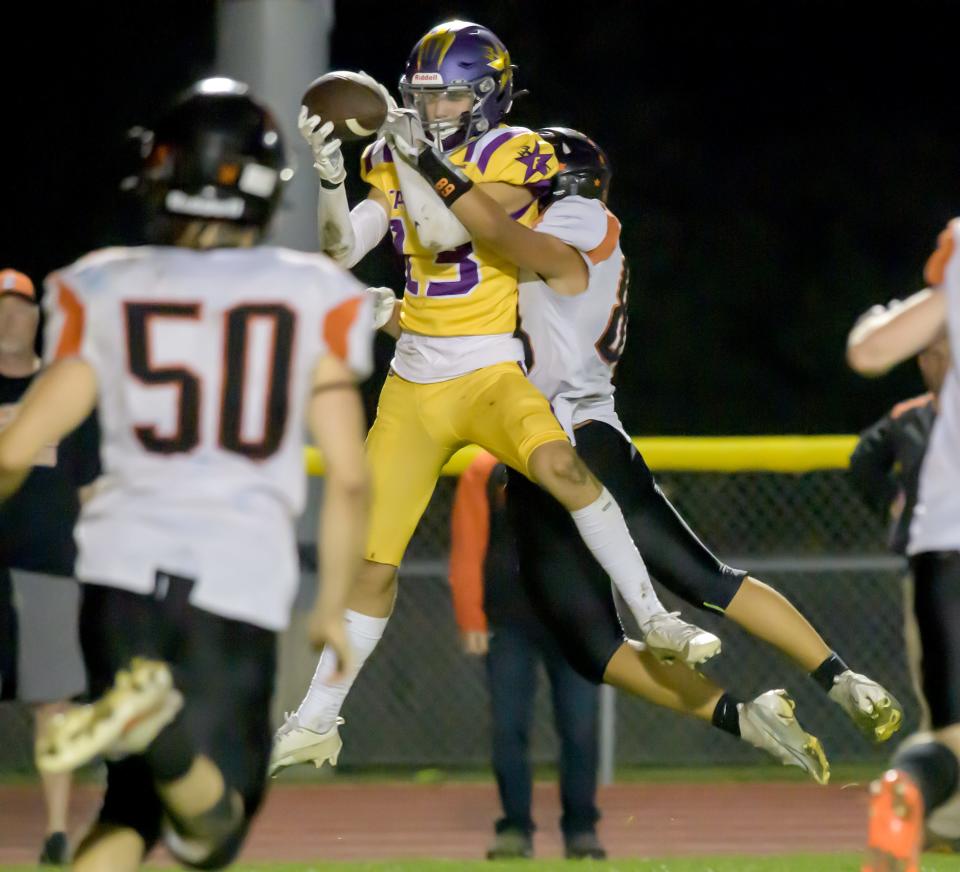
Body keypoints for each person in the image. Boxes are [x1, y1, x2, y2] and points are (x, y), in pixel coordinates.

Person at [272, 19, 722, 776]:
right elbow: (339, 249)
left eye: (444, 98)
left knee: (564, 470)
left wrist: (421, 159)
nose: (431, 109)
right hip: (413, 379)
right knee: (373, 565)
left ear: (485, 98)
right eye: (420, 97)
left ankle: (655, 616)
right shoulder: (392, 153)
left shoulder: (518, 151)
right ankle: (318, 719)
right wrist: (328, 178)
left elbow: (448, 230)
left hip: (487, 367)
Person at [394, 123, 902, 753]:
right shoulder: (531, 254)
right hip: (529, 447)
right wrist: (391, 314)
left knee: (701, 579)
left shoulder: (580, 222)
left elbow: (497, 229)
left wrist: (426, 163)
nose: (509, 184)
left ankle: (842, 678)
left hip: (578, 434)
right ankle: (746, 718)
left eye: (523, 176)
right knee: (589, 644)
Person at [0, 78, 373, 872]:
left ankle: (148, 730)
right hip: (233, 578)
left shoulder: (102, 283)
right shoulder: (309, 294)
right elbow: (346, 474)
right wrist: (333, 605)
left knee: (129, 808)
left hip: (114, 579)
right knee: (214, 828)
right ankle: (159, 735)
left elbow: (10, 449)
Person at [848, 221, 960, 872]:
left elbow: (870, 352)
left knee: (949, 738)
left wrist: (877, 319)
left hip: (945, 545)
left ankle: (907, 792)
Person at [450, 450, 605, 860]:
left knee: (580, 727)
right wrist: (471, 617)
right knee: (508, 726)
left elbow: (614, 542)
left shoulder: (593, 462)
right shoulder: (485, 470)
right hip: (508, 623)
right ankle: (515, 827)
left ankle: (581, 829)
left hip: (577, 624)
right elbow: (468, 547)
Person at [0, 268, 100, 865]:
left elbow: (90, 488)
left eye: (20, 306)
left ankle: (58, 832)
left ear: (38, 317)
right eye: (1, 307)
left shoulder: (64, 392)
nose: (11, 317)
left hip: (49, 570)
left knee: (52, 702)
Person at [849, 335, 949, 555]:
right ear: (922, 361)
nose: (942, 365)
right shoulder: (908, 417)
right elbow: (863, 462)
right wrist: (894, 498)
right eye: (933, 356)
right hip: (926, 549)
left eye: (949, 356)